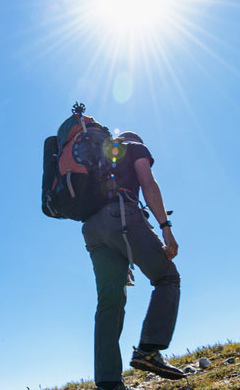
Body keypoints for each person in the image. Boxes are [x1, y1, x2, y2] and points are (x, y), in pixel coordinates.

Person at [81, 131, 184, 390]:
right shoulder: (135, 146)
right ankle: (149, 350)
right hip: (122, 215)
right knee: (167, 277)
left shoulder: (97, 159)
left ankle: (108, 383)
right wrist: (166, 227)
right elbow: (147, 183)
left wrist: (122, 255)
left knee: (110, 303)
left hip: (92, 230)